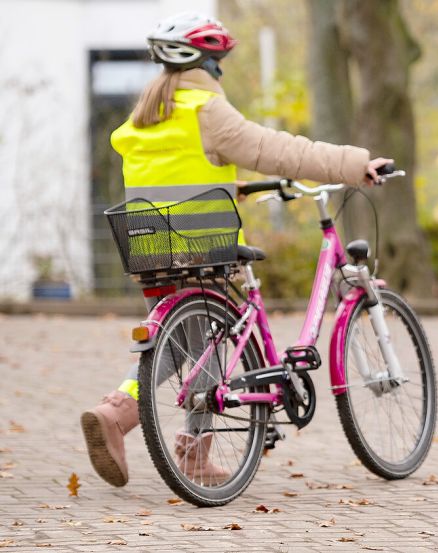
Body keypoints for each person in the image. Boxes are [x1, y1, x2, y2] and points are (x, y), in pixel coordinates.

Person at [80, 12, 392, 488]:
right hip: (201, 244)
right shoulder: (207, 109)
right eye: (219, 63)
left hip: (150, 245)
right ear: (207, 63)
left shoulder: (146, 117)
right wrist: (355, 163)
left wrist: (234, 186)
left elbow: (178, 173)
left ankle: (175, 441)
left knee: (188, 345)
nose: (221, 72)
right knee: (202, 346)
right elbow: (280, 149)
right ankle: (124, 413)